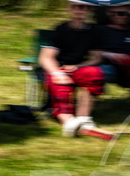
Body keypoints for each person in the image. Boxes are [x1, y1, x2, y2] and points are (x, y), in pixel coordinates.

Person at [38, 0, 105, 137]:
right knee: (60, 84)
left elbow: (97, 58)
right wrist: (57, 73)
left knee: (94, 74)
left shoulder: (94, 31)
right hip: (57, 67)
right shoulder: (61, 29)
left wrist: (77, 66)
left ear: (90, 10)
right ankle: (68, 122)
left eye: (84, 7)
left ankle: (83, 118)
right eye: (75, 6)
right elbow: (45, 57)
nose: (79, 10)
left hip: (77, 68)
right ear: (69, 9)